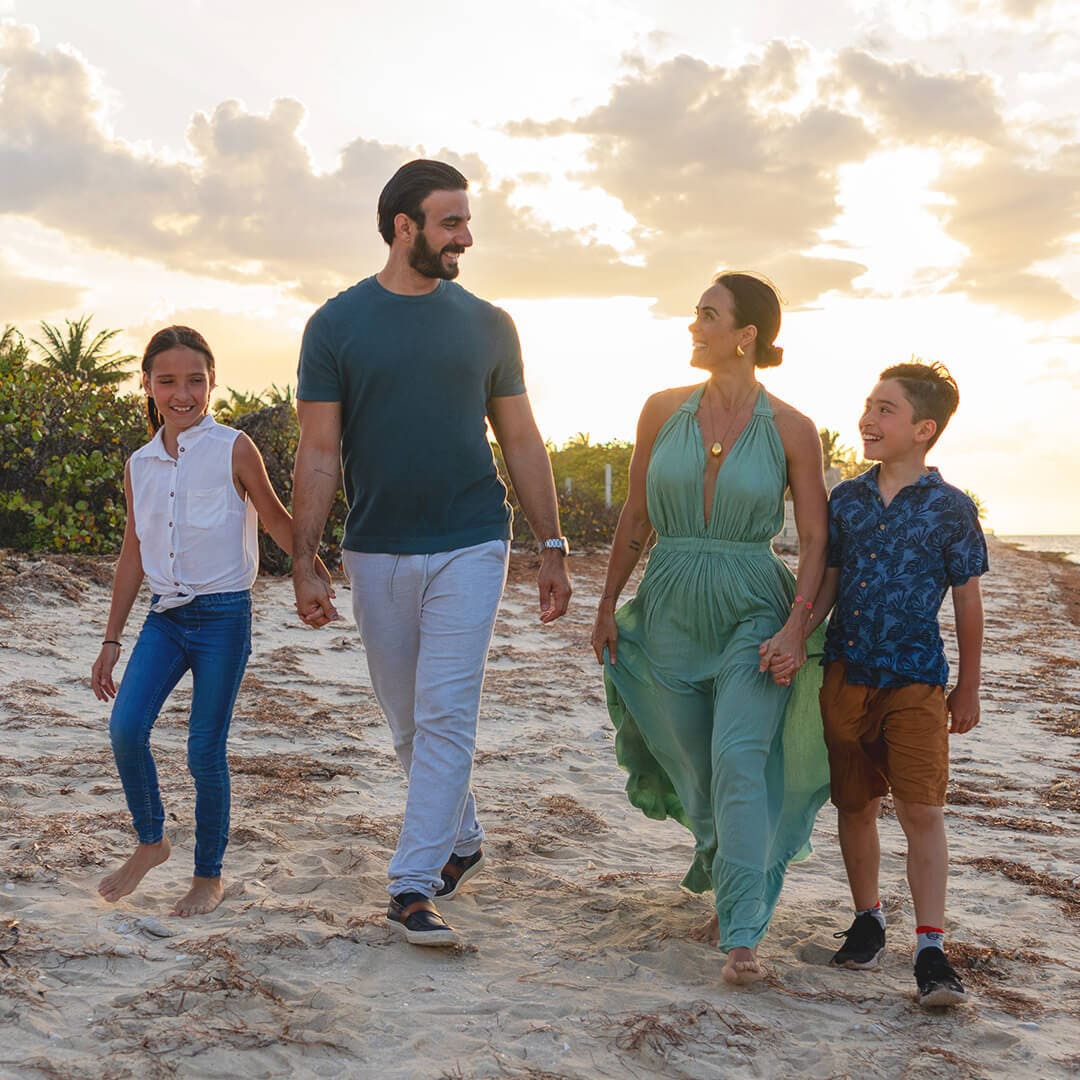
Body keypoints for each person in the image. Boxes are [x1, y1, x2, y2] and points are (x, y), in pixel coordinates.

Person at [291, 159, 571, 948]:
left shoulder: (487, 324)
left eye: (466, 221)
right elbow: (318, 452)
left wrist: (550, 543)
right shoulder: (336, 325)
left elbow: (519, 436)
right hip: (375, 547)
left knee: (446, 710)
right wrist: (303, 558)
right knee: (408, 718)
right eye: (452, 223)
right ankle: (464, 837)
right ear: (403, 226)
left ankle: (412, 886)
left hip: (471, 539)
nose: (467, 237)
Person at [591, 272, 831, 985]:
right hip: (666, 605)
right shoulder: (660, 409)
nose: (693, 326)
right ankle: (728, 875)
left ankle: (743, 936)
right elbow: (634, 516)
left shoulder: (791, 428)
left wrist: (796, 627)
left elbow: (816, 542)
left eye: (707, 315)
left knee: (738, 757)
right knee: (694, 764)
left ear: (745, 335)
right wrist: (607, 604)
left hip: (754, 608)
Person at [91, 326, 330, 917]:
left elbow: (276, 518)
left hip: (224, 616)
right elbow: (133, 554)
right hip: (164, 618)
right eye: (167, 380)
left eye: (194, 380)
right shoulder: (138, 466)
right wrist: (111, 639)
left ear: (212, 382)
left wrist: (310, 573)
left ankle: (208, 876)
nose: (182, 393)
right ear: (145, 385)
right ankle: (152, 842)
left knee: (204, 750)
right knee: (125, 729)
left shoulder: (234, 446)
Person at [783, 361, 986, 1008]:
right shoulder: (847, 499)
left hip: (918, 681)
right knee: (855, 804)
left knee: (922, 809)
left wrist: (970, 688)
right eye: (868, 405)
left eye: (886, 409)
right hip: (845, 673)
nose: (868, 419)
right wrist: (797, 630)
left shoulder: (952, 510)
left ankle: (931, 948)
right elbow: (829, 579)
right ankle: (868, 918)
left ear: (924, 429)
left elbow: (968, 602)